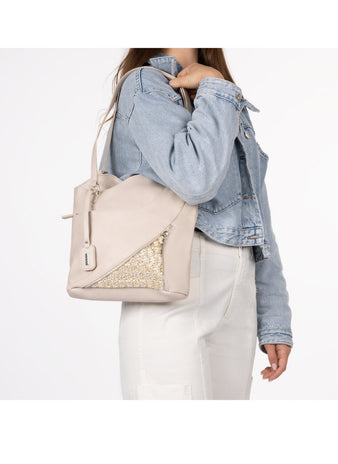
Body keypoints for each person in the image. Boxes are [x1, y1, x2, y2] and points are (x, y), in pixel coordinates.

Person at [99, 48, 293, 399]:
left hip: (238, 299)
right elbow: (194, 180)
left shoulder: (221, 94)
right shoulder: (145, 84)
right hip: (170, 294)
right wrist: (216, 87)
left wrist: (274, 317)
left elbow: (256, 212)